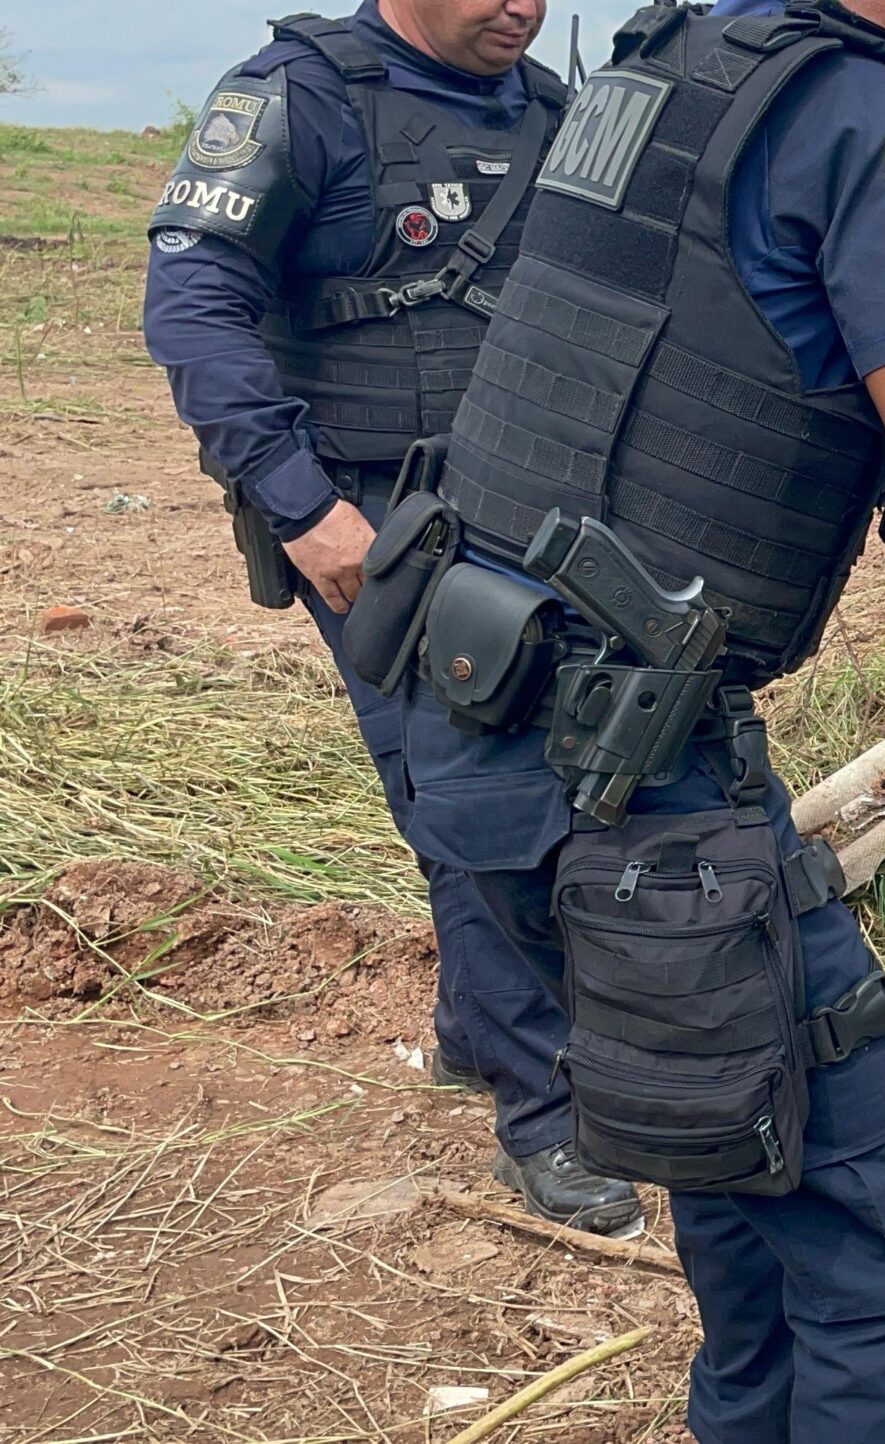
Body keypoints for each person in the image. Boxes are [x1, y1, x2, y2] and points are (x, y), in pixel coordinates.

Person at [403, 0, 885, 1434]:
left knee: (746, 1172)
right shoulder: (875, 118)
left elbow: (709, 381)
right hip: (636, 772)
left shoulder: (671, 62)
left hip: (482, 723)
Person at [143, 0, 640, 1234]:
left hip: (527, 513)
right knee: (478, 794)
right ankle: (544, 1116)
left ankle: (479, 1034)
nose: (520, 6)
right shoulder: (299, 95)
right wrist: (304, 508)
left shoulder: (548, 110)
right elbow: (192, 306)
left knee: (496, 784)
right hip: (374, 526)